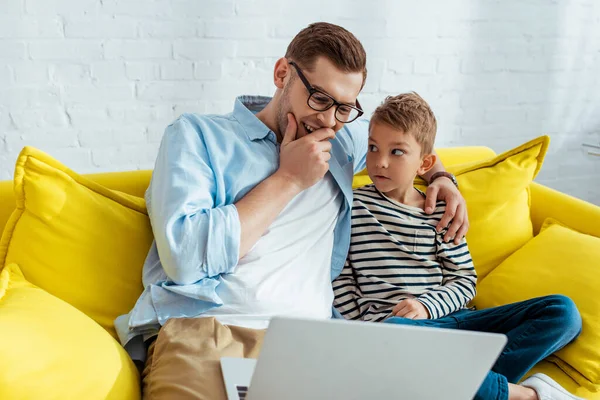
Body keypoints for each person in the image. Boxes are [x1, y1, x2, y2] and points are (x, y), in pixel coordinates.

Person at [115, 22, 469, 399]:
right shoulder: (198, 136)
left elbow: (406, 141)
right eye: (319, 98)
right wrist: (288, 180)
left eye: (344, 108)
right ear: (282, 73)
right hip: (209, 331)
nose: (329, 120)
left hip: (313, 345)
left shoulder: (343, 138)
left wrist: (440, 176)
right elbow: (185, 259)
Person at [332, 92, 583, 400]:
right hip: (393, 333)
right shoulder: (354, 205)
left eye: (397, 152)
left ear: (424, 162)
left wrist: (427, 306)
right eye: (373, 148)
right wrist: (360, 332)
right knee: (400, 331)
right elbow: (339, 274)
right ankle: (526, 395)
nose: (380, 161)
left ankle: (460, 386)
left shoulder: (441, 210)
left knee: (562, 312)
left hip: (453, 324)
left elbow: (464, 281)